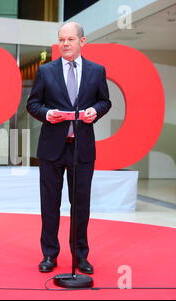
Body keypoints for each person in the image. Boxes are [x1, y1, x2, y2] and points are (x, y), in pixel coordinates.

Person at [26, 22, 111, 274]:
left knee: (81, 205)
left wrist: (95, 111)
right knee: (49, 204)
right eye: (61, 39)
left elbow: (105, 101)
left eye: (70, 39)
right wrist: (47, 113)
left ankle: (80, 256)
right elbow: (33, 104)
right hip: (52, 149)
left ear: (82, 42)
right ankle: (49, 255)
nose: (65, 44)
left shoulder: (97, 71)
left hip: (82, 149)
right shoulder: (46, 71)